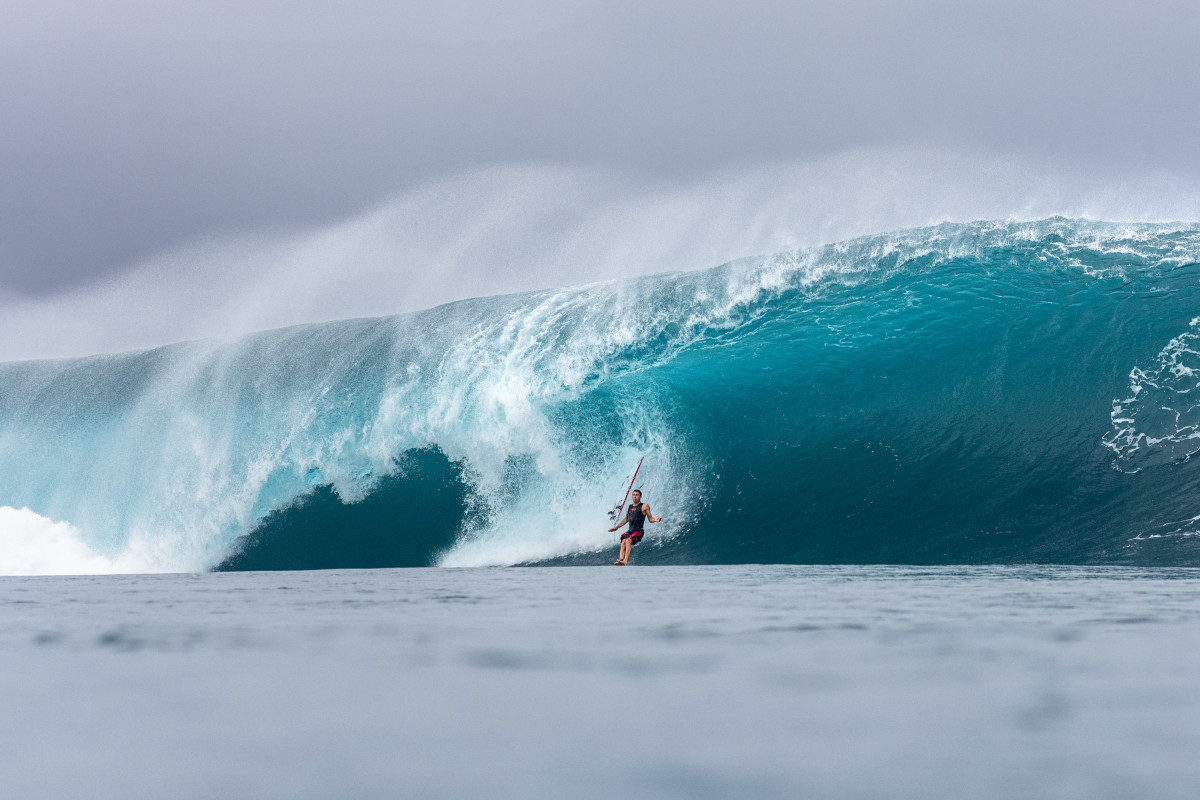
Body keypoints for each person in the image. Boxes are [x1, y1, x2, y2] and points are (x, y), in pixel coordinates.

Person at [608, 489, 662, 566]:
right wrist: (616, 527)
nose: (635, 496)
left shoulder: (644, 506)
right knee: (623, 540)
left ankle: (625, 562)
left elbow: (650, 519)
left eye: (637, 495)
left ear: (640, 497)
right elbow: (626, 519)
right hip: (630, 530)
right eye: (633, 495)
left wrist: (655, 520)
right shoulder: (628, 507)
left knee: (628, 540)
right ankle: (621, 559)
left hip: (639, 531)